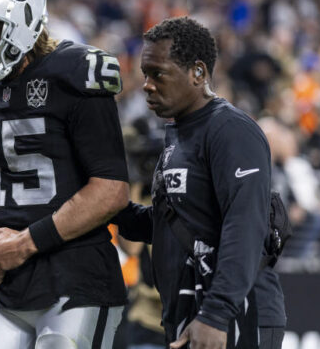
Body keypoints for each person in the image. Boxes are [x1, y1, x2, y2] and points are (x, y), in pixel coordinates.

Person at [0, 0, 130, 347]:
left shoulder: (77, 72)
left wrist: (26, 243)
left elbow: (111, 190)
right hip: (7, 285)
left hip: (75, 282)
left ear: (21, 18)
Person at [113, 17, 286, 349]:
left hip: (236, 314)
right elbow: (167, 227)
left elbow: (245, 225)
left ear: (198, 73)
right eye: (145, 75)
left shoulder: (231, 130)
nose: (147, 84)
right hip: (191, 310)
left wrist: (216, 314)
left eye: (158, 74)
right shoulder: (179, 134)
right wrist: (111, 208)